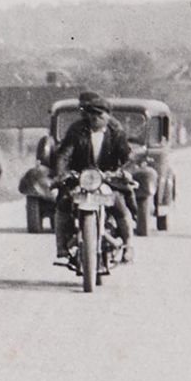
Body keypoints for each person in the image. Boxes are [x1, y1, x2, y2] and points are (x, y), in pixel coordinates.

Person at [45, 89, 136, 263]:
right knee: (63, 203)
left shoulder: (116, 132)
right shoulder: (77, 130)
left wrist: (123, 171)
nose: (95, 118)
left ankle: (128, 245)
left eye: (99, 114)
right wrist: (62, 173)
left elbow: (127, 156)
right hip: (81, 177)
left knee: (120, 205)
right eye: (91, 114)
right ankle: (61, 246)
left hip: (108, 178)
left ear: (108, 115)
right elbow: (64, 154)